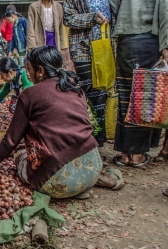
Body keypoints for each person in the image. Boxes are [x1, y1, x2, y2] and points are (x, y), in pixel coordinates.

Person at [0, 46, 124, 199]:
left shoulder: (29, 95)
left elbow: (10, 141)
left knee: (21, 152)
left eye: (29, 69)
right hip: (93, 167)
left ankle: (70, 187)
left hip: (55, 182)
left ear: (40, 71)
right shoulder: (75, 88)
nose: (28, 74)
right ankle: (86, 184)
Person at [109, 0, 168, 166]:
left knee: (127, 96)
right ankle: (138, 154)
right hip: (149, 39)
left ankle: (125, 154)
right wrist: (167, 45)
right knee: (145, 96)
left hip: (126, 40)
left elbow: (113, 5)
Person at [63, 0, 115, 148]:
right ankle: (86, 138)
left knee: (102, 94)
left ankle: (100, 139)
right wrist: (92, 18)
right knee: (86, 94)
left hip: (105, 47)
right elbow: (68, 19)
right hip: (83, 49)